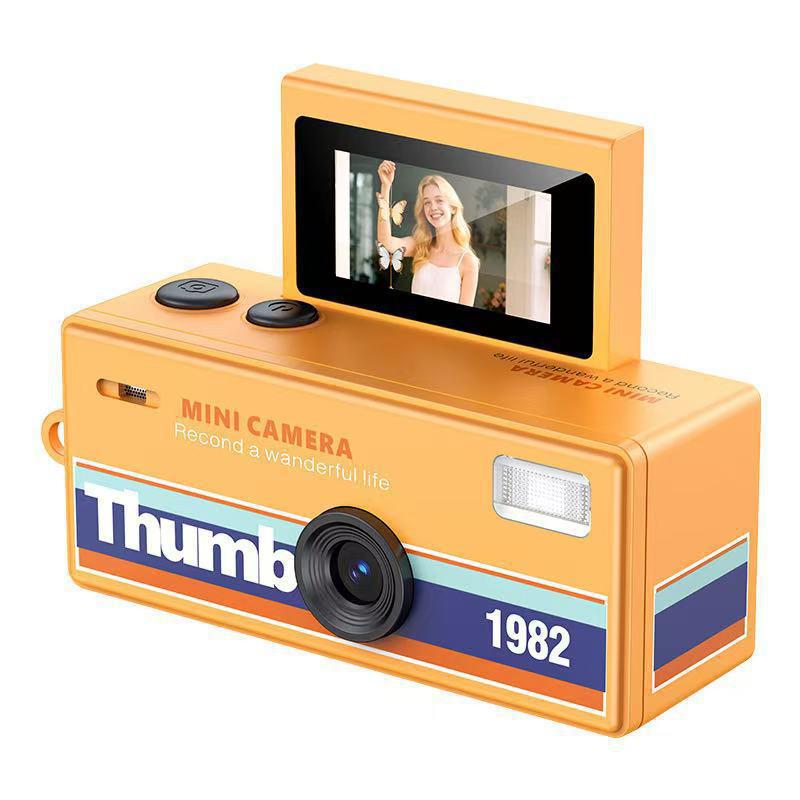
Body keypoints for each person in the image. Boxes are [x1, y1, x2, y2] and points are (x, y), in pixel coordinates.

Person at [376, 161, 479, 305]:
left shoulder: (468, 262)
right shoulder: (420, 245)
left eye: (439, 200)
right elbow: (386, 242)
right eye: (427, 202)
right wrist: (386, 187)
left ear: (453, 208)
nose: (433, 207)